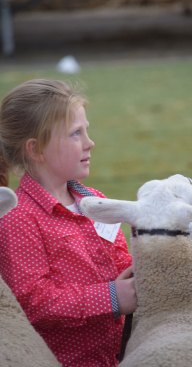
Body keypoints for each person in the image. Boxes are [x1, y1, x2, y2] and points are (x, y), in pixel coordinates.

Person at [0, 79, 137, 367]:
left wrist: (166, 245)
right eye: (76, 134)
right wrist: (111, 298)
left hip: (118, 357)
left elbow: (123, 267)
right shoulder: (18, 218)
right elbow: (33, 302)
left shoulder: (96, 202)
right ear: (36, 149)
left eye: (86, 130)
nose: (90, 143)